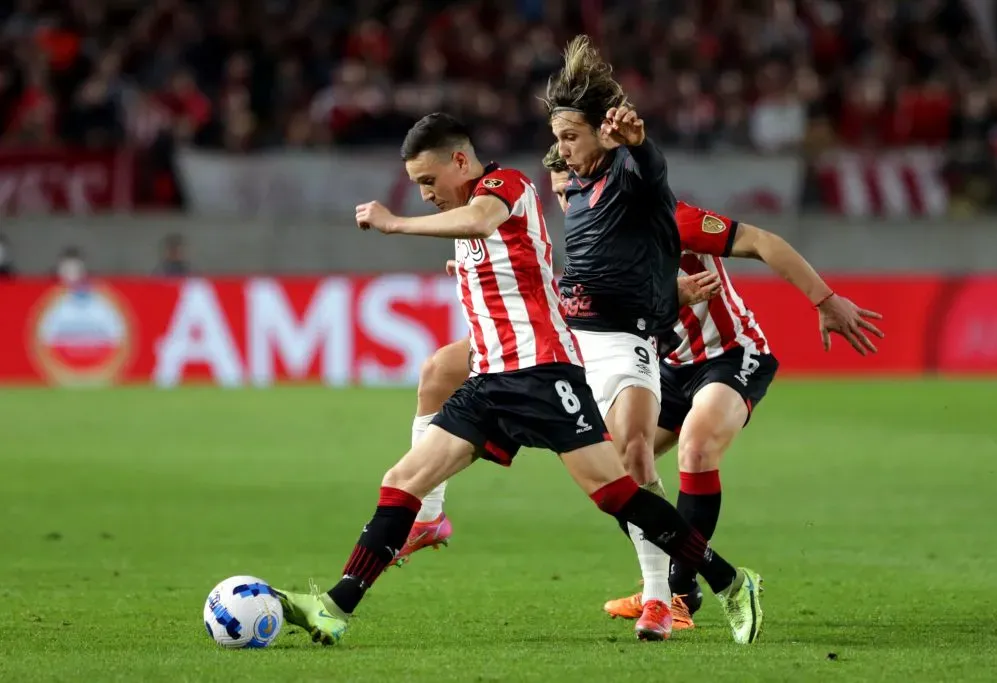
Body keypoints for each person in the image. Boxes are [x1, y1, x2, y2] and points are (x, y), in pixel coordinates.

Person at [271, 112, 764, 647]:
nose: (426, 194)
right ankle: (333, 607)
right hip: (489, 381)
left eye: (429, 181)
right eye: (418, 187)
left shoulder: (504, 186)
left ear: (460, 160)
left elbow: (483, 221)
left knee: (618, 493)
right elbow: (499, 256)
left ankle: (730, 581)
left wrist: (396, 223)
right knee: (402, 480)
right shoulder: (465, 212)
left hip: (541, 375)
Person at [397, 143, 884, 632]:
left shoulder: (665, 218)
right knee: (621, 474)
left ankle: (677, 592)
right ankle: (671, 589)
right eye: (561, 197)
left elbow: (762, 241)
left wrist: (824, 299)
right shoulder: (588, 237)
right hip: (666, 365)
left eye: (574, 190)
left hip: (729, 355)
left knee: (695, 445)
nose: (570, 205)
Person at [406, 35, 689, 640]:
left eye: (571, 138)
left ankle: (664, 598)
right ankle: (427, 516)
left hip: (621, 342)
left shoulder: (629, 172)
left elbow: (653, 176)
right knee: (437, 371)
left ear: (602, 134)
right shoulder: (570, 183)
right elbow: (558, 262)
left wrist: (638, 144)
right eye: (557, 139)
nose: (561, 153)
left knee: (633, 458)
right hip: (562, 332)